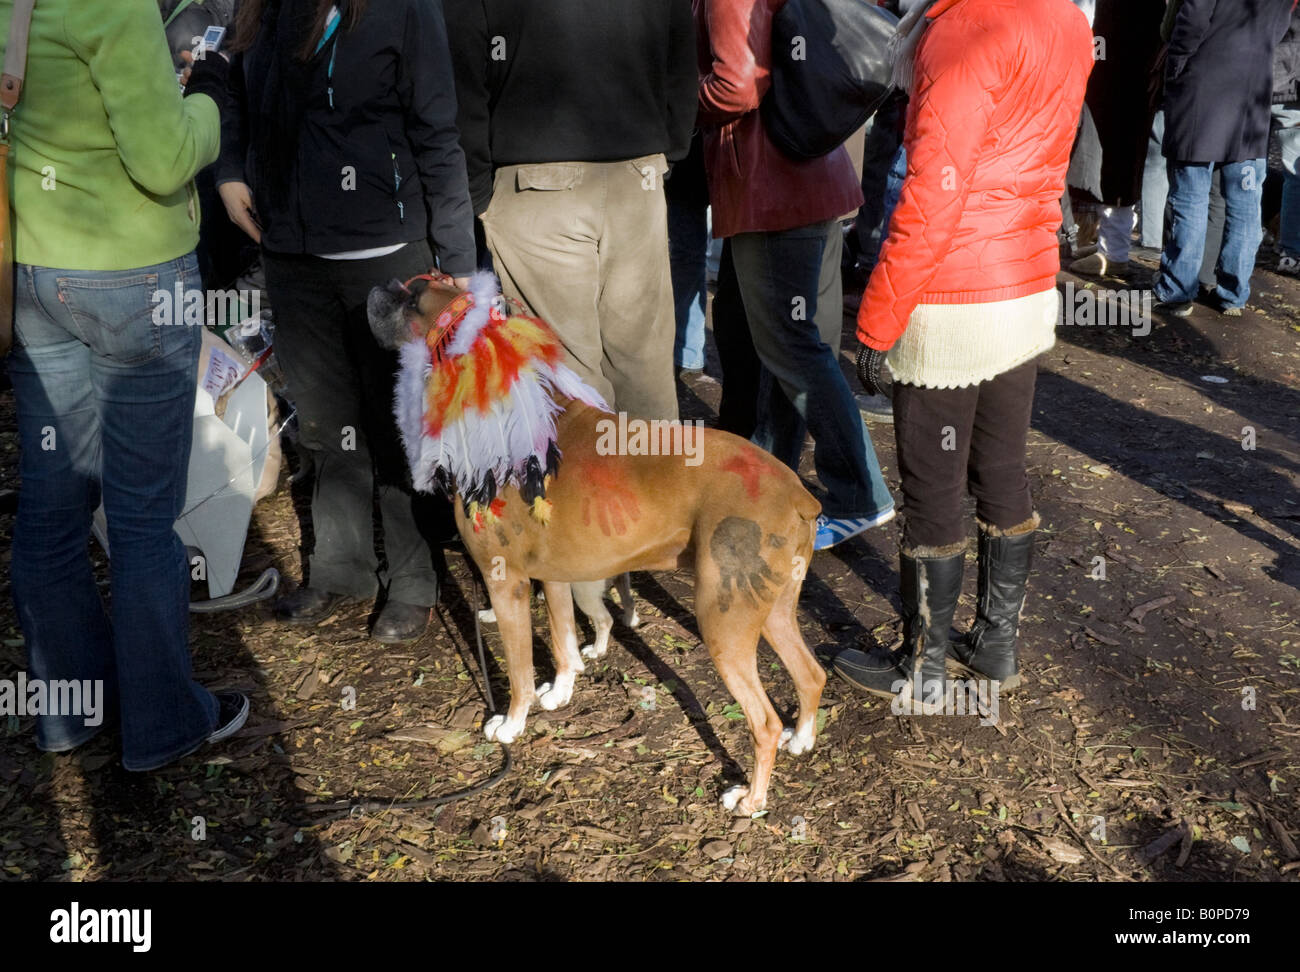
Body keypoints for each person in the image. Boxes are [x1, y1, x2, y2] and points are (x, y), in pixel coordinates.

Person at [4, 0, 247, 770]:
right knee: (144, 520)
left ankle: (69, 713)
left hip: (37, 273)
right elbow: (163, 159)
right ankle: (163, 723)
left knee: (52, 507)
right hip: (132, 278)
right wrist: (211, 94)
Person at [832, 0, 1093, 707]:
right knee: (1001, 466)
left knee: (934, 485)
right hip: (1025, 275)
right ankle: (996, 642)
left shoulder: (964, 27)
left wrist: (877, 323)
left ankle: (924, 669)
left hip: (953, 293)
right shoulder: (1066, 18)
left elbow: (932, 195)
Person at [217, 0, 476, 642]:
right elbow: (225, 91)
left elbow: (438, 132)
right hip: (293, 254)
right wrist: (226, 171)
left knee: (395, 429)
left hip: (388, 257)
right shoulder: (262, 11)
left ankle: (413, 582)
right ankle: (340, 571)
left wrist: (460, 265)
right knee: (329, 425)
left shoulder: (405, 11)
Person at [697, 0, 895, 551]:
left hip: (774, 190)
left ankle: (859, 494)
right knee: (790, 349)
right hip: (811, 175)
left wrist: (669, 101)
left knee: (792, 347)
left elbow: (736, 87)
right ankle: (772, 481)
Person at [444, 0, 697, 421]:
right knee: (641, 370)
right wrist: (665, 153)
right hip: (633, 174)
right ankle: (649, 480)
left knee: (572, 383)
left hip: (539, 185)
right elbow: (681, 62)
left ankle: (612, 481)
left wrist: (479, 195)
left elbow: (462, 81)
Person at [1152, 0, 1297, 317]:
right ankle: (1233, 291)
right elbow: (1279, 26)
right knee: (1244, 201)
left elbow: (1191, 19)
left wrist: (1176, 66)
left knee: (1190, 195)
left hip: (1202, 89)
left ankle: (1177, 289)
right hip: (1251, 94)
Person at [1067, 0, 1167, 279]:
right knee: (1114, 158)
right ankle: (1110, 245)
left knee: (1118, 159)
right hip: (1124, 71)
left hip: (1122, 75)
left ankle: (1113, 252)